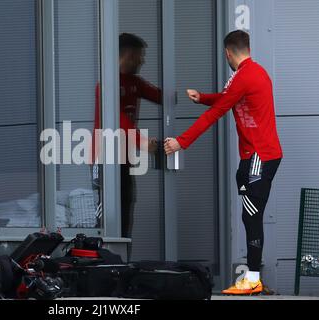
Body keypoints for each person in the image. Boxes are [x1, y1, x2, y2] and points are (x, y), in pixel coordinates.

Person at [164, 30, 283, 295]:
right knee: (250, 214)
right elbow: (228, 98)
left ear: (228, 52)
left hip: (259, 157)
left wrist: (181, 142)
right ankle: (253, 278)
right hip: (257, 156)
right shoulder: (252, 73)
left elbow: (217, 113)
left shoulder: (245, 76)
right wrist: (203, 98)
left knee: (251, 215)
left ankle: (253, 279)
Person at [93, 33, 162, 238]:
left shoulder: (134, 82)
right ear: (130, 55)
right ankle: (103, 261)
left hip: (123, 157)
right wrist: (141, 141)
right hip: (104, 156)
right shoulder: (107, 83)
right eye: (140, 56)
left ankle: (120, 261)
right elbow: (117, 118)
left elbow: (162, 97)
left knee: (125, 206)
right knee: (107, 213)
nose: (143, 61)